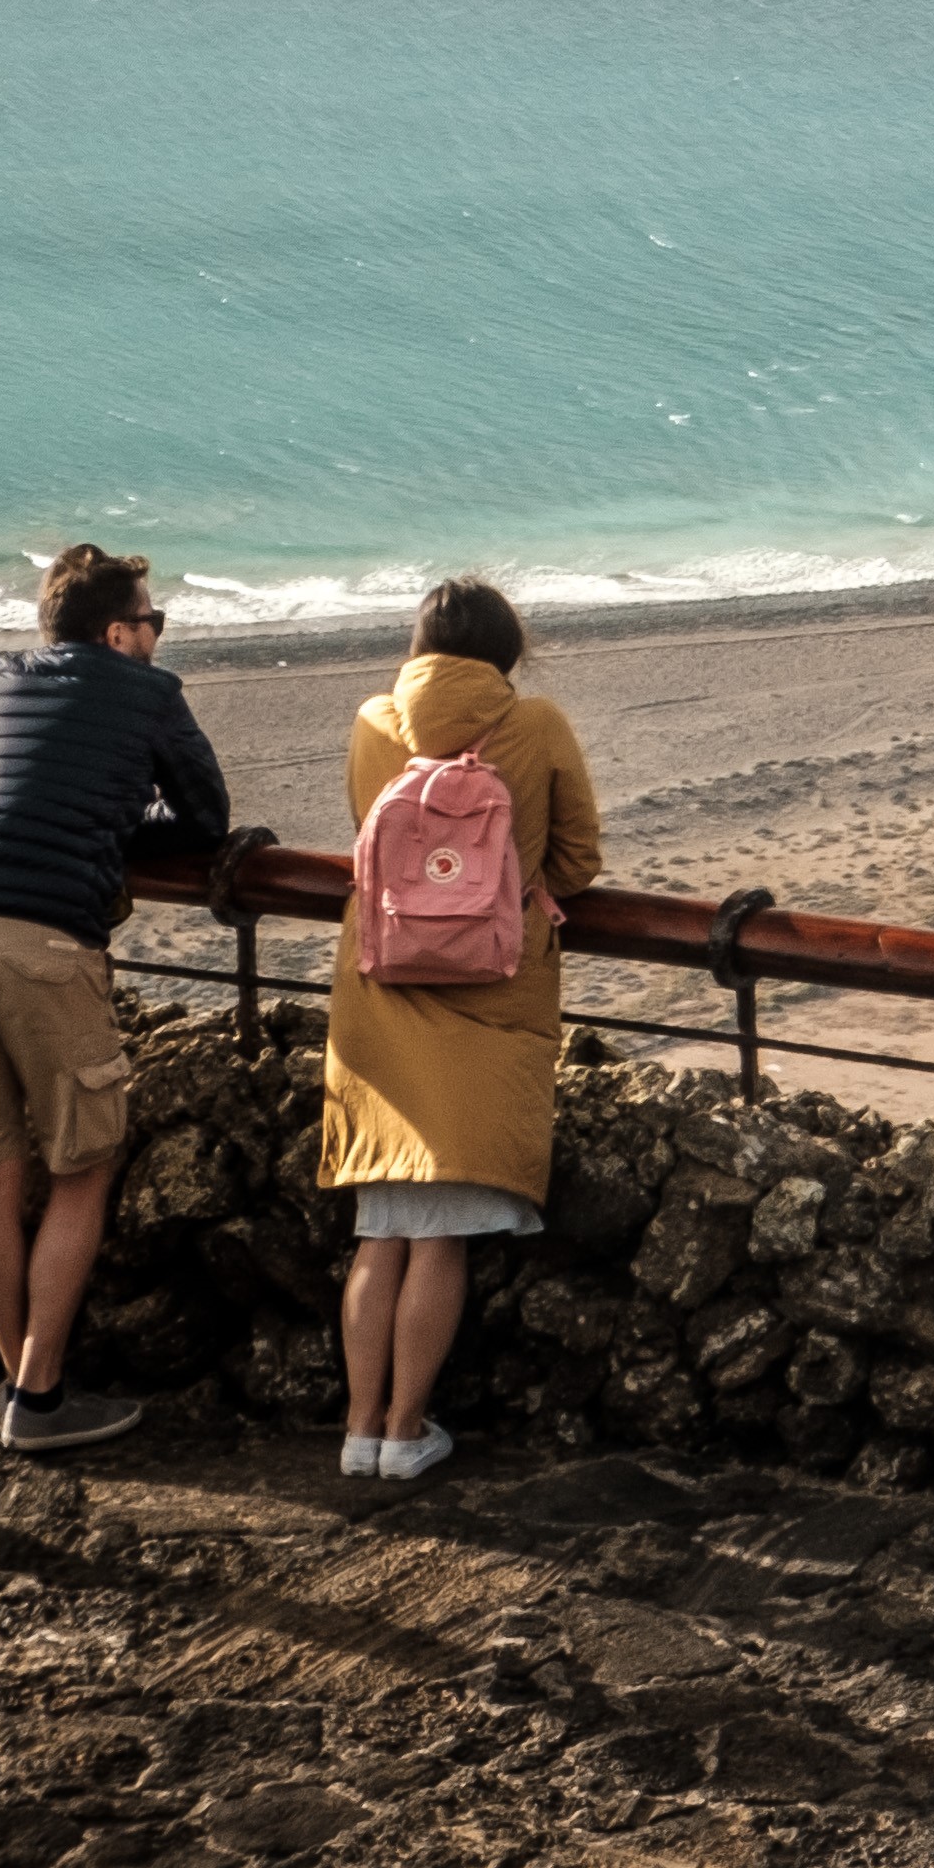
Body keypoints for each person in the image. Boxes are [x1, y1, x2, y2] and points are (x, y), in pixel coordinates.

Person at [0, 541, 229, 1454]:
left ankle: (18, 1382)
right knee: (83, 1166)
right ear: (119, 631)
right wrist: (115, 830)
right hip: (46, 940)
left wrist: (90, 815)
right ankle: (41, 1397)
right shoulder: (148, 692)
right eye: (155, 622)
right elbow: (204, 818)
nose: (160, 637)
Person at [317, 575, 603, 1489]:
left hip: (383, 989)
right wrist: (519, 887)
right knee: (440, 1233)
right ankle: (406, 1432)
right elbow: (582, 856)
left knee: (382, 1225)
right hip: (489, 990)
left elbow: (368, 830)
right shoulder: (537, 723)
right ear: (506, 648)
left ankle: (360, 1431)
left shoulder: (371, 722)